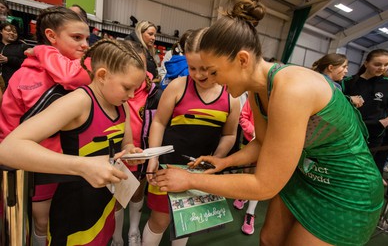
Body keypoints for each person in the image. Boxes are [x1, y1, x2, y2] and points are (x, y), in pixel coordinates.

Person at [153, 0, 384, 246]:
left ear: (242, 60)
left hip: (346, 188)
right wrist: (223, 162)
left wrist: (191, 179)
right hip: (305, 176)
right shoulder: (255, 89)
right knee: (269, 239)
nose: (213, 80)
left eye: (214, 71)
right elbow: (262, 142)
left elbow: (264, 186)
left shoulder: (292, 89)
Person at [0, 38, 147, 245]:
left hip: (105, 206)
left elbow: (126, 143)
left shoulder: (120, 105)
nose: (132, 95)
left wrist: (130, 152)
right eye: (127, 87)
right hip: (74, 212)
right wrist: (83, 165)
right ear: (102, 75)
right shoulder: (80, 101)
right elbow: (8, 149)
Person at [0, 6, 91, 246]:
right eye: (77, 37)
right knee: (40, 223)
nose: (85, 45)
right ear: (51, 36)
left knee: (54, 222)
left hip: (63, 163)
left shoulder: (75, 66)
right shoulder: (27, 75)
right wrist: (43, 52)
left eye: (87, 39)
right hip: (31, 164)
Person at [143, 27, 240, 246]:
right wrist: (153, 156)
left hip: (198, 171)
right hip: (168, 167)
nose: (198, 74)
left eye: (206, 69)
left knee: (186, 221)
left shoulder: (231, 98)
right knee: (160, 220)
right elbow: (159, 122)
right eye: (192, 67)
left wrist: (217, 157)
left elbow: (230, 134)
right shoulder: (178, 86)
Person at [111, 48, 163, 246]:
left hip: (140, 154)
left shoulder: (155, 93)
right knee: (116, 197)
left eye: (140, 63)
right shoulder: (112, 89)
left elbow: (160, 123)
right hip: (116, 154)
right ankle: (117, 236)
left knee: (137, 193)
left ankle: (133, 231)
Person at [342, 49, 388, 175]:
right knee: (344, 165)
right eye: (377, 64)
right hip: (348, 132)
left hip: (374, 134)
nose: (382, 68)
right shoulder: (348, 82)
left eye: (386, 64)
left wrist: (384, 122)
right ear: (366, 63)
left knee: (362, 168)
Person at [232, 98, 258, 235]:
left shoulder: (282, 99)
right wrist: (254, 133)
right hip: (249, 141)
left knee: (259, 177)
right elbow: (243, 117)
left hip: (268, 146)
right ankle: (243, 194)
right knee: (246, 171)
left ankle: (250, 213)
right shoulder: (253, 98)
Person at [0, 23, 30, 88]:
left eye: (15, 32)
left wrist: (9, 59)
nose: (12, 33)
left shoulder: (22, 46)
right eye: (8, 30)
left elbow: (29, 62)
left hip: (13, 84)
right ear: (1, 32)